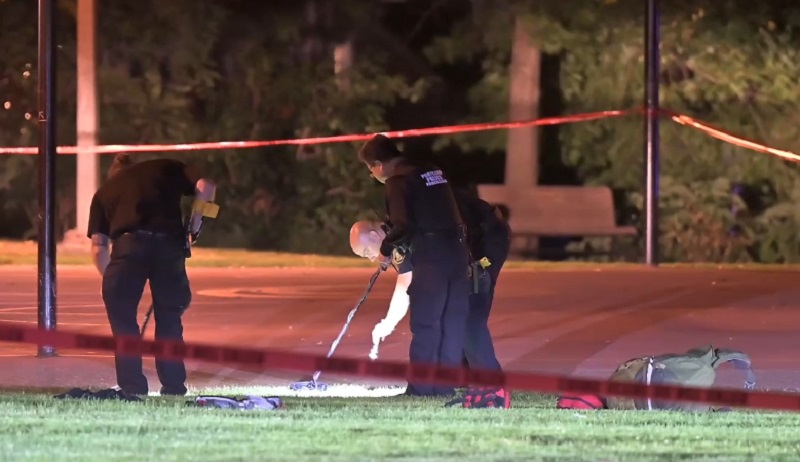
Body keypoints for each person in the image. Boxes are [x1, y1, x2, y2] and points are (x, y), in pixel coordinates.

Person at [86, 153, 217, 396]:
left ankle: (132, 387)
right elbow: (206, 187)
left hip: (127, 248)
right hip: (169, 247)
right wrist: (194, 227)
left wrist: (111, 279)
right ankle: (174, 386)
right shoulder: (165, 166)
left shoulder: (104, 192)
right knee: (169, 318)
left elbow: (98, 248)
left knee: (123, 318)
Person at [356, 134, 471, 397]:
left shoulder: (397, 181)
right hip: (458, 250)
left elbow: (403, 226)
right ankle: (444, 387)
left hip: (432, 256)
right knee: (451, 321)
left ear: (378, 164)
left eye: (370, 170)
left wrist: (386, 251)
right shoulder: (431, 170)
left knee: (426, 323)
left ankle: (420, 388)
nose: (373, 175)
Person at [349, 186, 509, 372]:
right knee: (455, 311)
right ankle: (464, 375)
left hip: (487, 237)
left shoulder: (402, 228)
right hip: (470, 241)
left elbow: (404, 284)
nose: (371, 258)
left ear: (374, 235)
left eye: (367, 252)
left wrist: (387, 324)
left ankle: (490, 384)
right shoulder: (398, 226)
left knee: (471, 314)